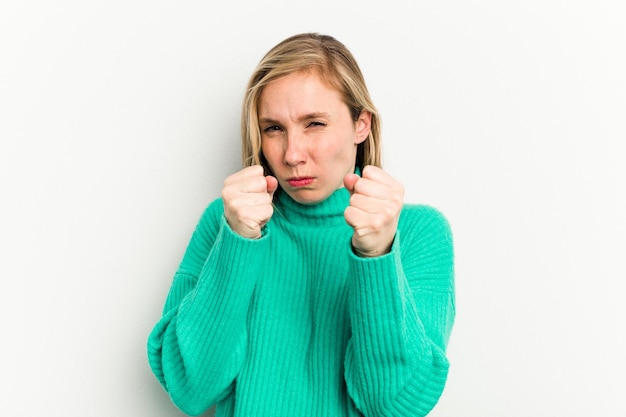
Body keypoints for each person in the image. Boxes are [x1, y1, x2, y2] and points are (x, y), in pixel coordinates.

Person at [147, 32, 455, 417]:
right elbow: (190, 387)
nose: (292, 155)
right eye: (274, 128)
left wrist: (376, 256)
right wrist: (238, 242)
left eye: (314, 124)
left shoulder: (418, 233)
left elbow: (390, 405)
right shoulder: (227, 222)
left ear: (361, 124)